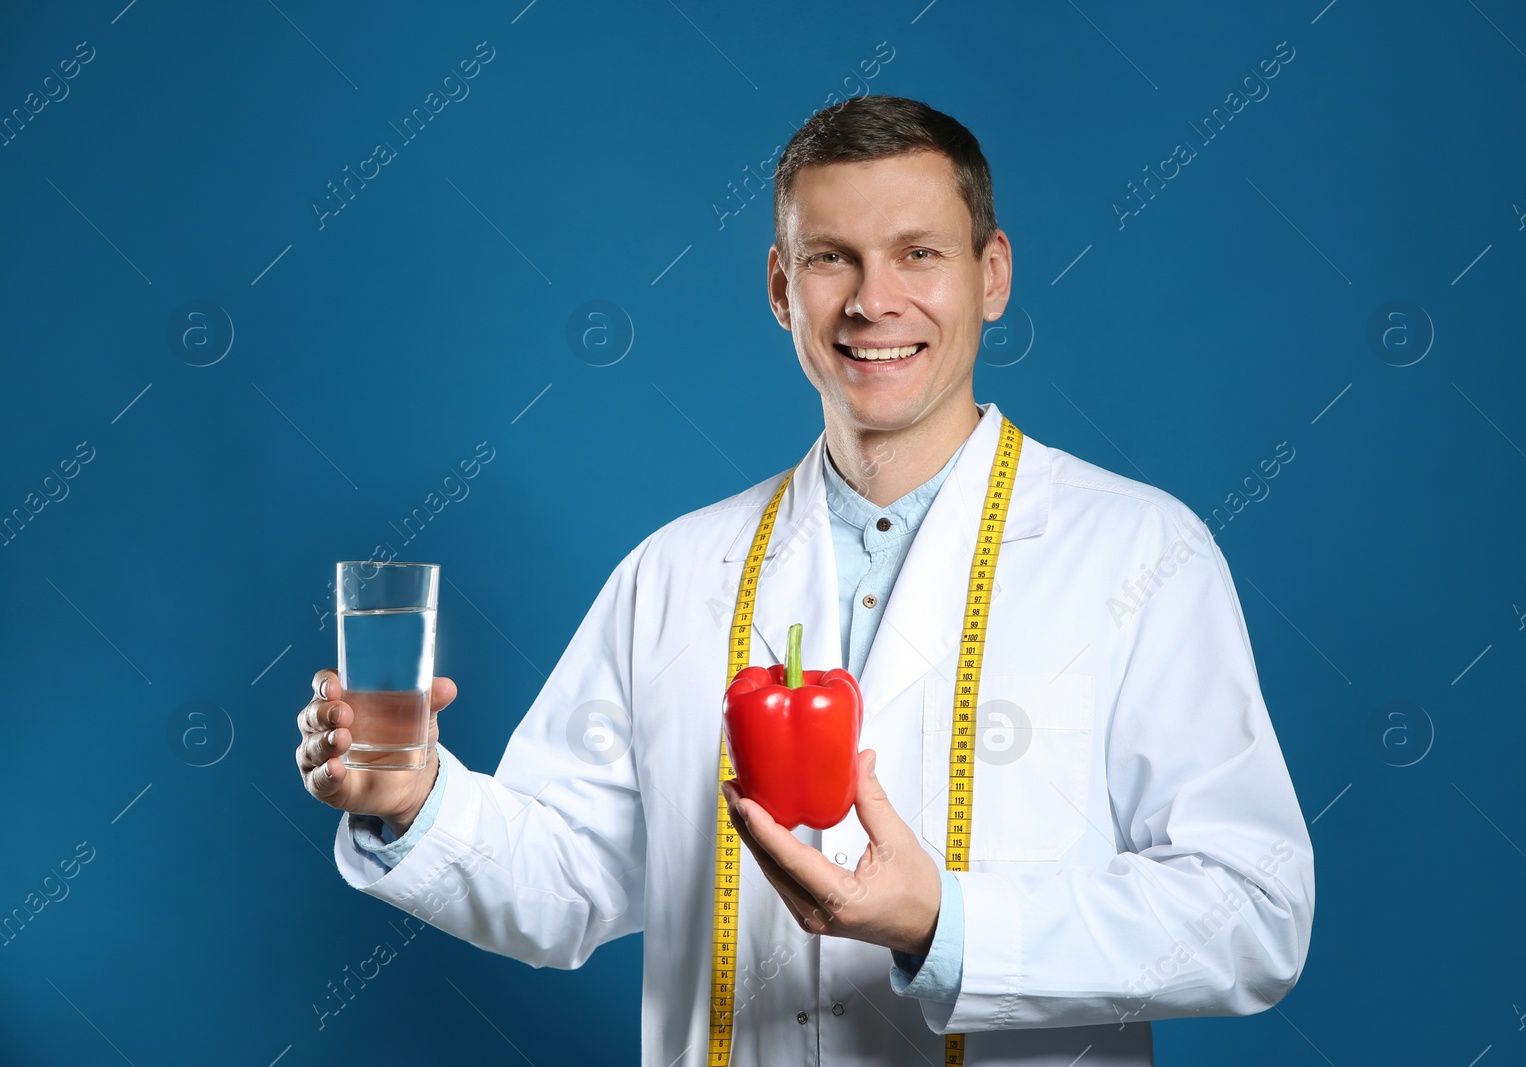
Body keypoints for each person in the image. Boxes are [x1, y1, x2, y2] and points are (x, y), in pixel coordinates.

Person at [296, 95, 1314, 1065]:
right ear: (781, 286)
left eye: (919, 252)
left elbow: (1252, 909)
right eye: (833, 259)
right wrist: (416, 799)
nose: (874, 301)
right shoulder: (674, 571)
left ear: (991, 274)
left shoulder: (1138, 552)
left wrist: (943, 923)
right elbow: (566, 875)